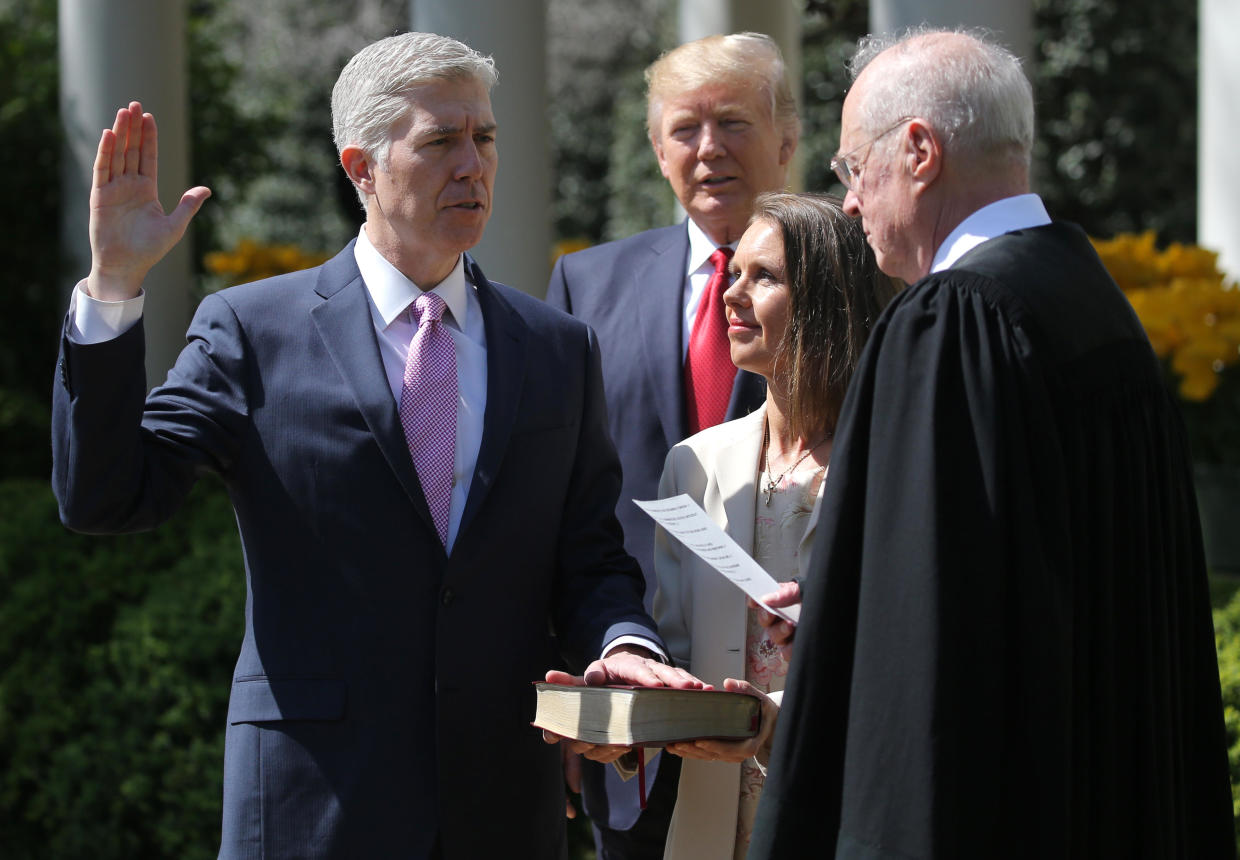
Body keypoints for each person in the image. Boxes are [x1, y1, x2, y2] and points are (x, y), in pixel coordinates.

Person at [51, 32, 698, 860]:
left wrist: (624, 645)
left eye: (485, 138)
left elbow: (590, 557)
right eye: (439, 142)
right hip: (312, 804)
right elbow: (107, 496)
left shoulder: (557, 347)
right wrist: (114, 289)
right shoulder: (253, 330)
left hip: (501, 809)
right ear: (361, 168)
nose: (473, 164)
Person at [748, 28, 1236, 859]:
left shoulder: (951, 323)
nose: (852, 203)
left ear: (919, 152)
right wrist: (844, 605)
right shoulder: (1096, 305)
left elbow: (934, 642)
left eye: (851, 169)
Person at [544, 32, 797, 857]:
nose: (709, 148)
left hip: (788, 709)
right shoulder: (587, 285)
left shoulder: (854, 288)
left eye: (733, 122)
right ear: (657, 151)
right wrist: (572, 684)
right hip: (632, 723)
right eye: (685, 129)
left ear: (788, 139)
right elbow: (561, 506)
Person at [651, 192, 892, 860]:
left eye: (765, 277)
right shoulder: (693, 464)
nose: (732, 294)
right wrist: (627, 696)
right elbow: (676, 651)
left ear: (828, 300)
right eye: (735, 274)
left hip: (848, 816)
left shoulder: (892, 463)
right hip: (713, 829)